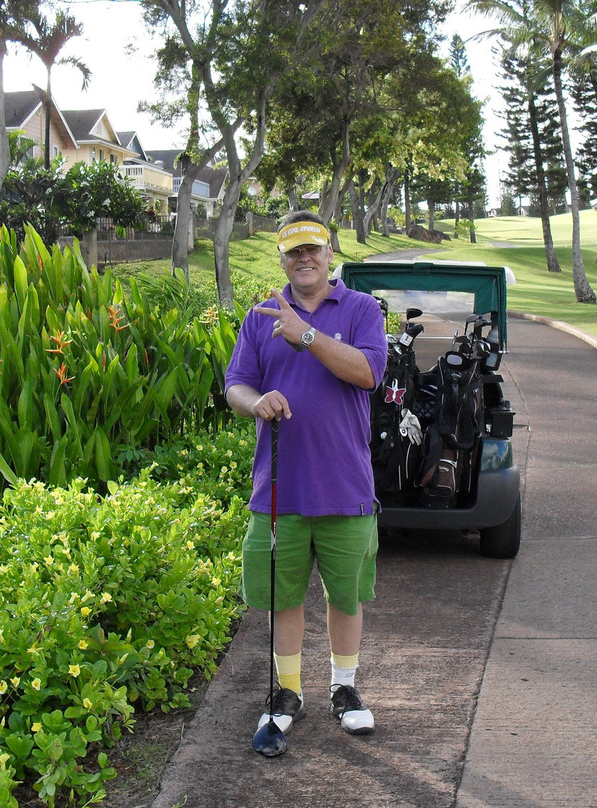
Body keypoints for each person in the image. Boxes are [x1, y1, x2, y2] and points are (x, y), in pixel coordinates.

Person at [224, 210, 388, 738]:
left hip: (345, 487)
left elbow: (367, 373)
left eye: (312, 248)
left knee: (345, 597)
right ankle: (288, 691)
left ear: (329, 253)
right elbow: (236, 385)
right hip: (279, 489)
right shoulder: (259, 317)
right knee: (282, 597)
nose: (304, 259)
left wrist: (306, 335)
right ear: (282, 259)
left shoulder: (362, 309)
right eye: (293, 251)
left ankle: (344, 688)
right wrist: (256, 402)